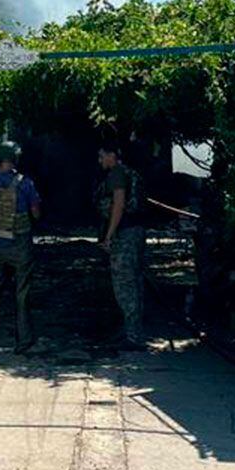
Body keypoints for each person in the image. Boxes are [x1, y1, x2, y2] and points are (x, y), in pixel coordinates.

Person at [0, 141, 42, 354]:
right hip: (20, 244)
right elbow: (35, 213)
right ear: (16, 159)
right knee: (21, 292)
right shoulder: (25, 183)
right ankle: (23, 341)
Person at [96, 141, 145, 348]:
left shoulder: (117, 174)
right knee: (134, 281)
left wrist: (109, 235)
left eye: (101, 155)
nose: (99, 160)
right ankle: (131, 330)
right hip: (135, 232)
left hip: (124, 234)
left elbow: (118, 204)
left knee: (124, 284)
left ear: (111, 155)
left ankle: (133, 336)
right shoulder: (130, 173)